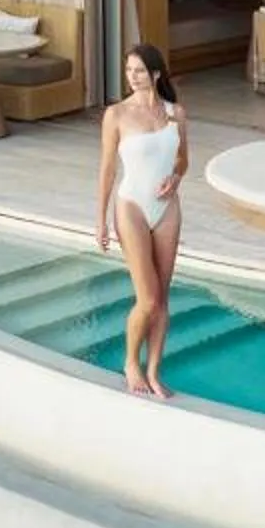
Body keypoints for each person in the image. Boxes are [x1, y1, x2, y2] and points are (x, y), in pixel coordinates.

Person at [95, 41, 187, 398]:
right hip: (131, 205)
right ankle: (131, 361)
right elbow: (106, 171)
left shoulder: (175, 113)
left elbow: (183, 162)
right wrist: (100, 221)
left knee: (162, 300)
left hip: (167, 208)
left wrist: (176, 178)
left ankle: (153, 371)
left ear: (156, 74)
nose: (132, 77)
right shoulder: (116, 115)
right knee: (147, 299)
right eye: (128, 70)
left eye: (138, 71)